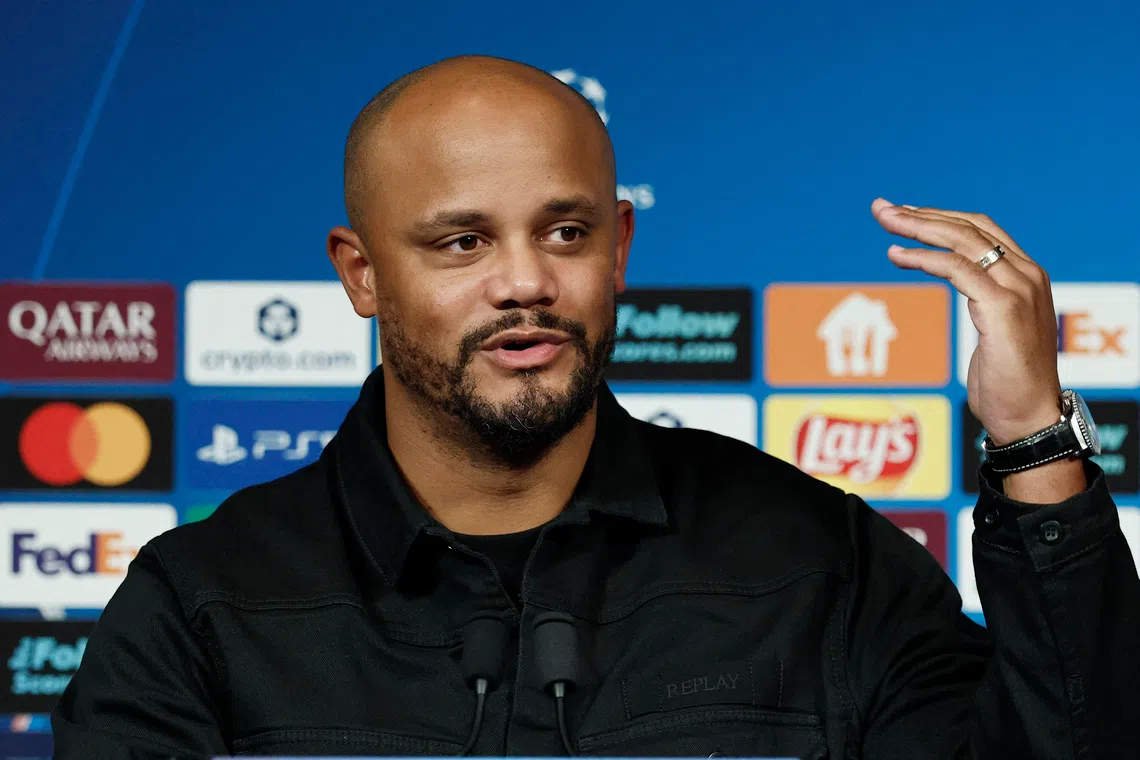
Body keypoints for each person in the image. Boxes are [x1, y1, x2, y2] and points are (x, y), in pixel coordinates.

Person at [52, 55, 1139, 759]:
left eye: (565, 233)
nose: (524, 280)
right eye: (462, 241)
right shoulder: (205, 603)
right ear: (362, 273)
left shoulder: (820, 562)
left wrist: (1032, 441)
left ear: (619, 247)